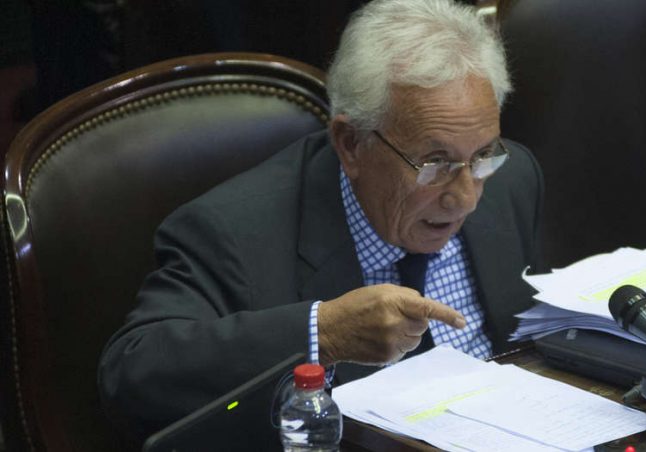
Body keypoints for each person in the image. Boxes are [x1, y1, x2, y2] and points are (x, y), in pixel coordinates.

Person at [98, 0, 543, 441]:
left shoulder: (513, 178)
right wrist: (322, 334)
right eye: (435, 162)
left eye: (483, 155)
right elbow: (131, 373)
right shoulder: (232, 232)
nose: (465, 197)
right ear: (351, 144)